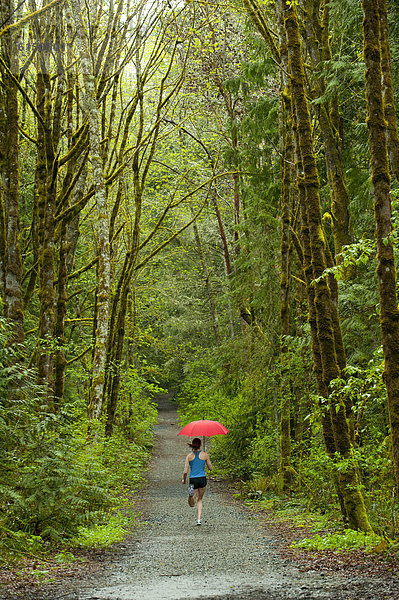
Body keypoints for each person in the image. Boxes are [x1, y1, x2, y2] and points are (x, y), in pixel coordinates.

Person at [181, 437, 212, 525]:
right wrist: (206, 459)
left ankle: (191, 496)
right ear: (200, 445)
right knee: (200, 499)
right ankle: (199, 520)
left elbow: (185, 471)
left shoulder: (189, 456)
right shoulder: (205, 455)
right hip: (202, 479)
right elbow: (210, 468)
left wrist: (184, 479)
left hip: (193, 479)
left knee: (192, 503)